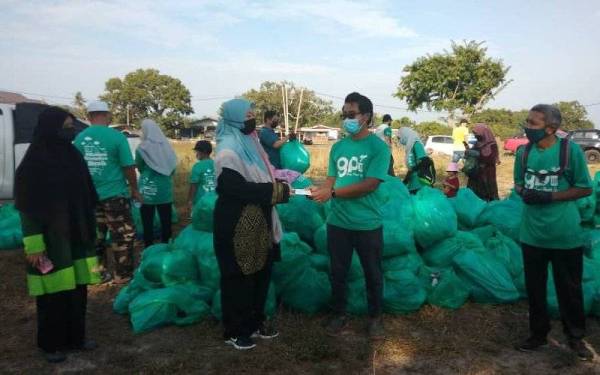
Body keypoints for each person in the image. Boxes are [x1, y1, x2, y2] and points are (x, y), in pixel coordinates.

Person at [15, 107, 100, 363]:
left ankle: (76, 337)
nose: (70, 131)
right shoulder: (33, 165)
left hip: (77, 235)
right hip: (51, 241)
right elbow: (28, 209)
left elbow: (87, 196)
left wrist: (92, 230)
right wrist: (34, 245)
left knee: (78, 292)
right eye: (65, 126)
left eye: (71, 125)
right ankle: (51, 344)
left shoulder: (74, 156)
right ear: (50, 128)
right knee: (52, 295)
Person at [514, 104, 593, 361]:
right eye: (527, 121)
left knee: (569, 289)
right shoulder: (524, 153)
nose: (528, 127)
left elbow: (584, 188)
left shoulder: (570, 153)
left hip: (564, 236)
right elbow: (517, 182)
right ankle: (538, 334)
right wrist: (523, 192)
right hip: (532, 235)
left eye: (533, 123)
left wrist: (550, 196)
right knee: (535, 289)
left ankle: (575, 337)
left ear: (551, 128)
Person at [310, 92, 390, 338]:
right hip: (338, 222)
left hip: (367, 224)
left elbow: (370, 184)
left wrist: (332, 192)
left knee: (373, 274)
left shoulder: (378, 147)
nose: (346, 119)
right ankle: (339, 315)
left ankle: (375, 318)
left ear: (366, 116)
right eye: (344, 114)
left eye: (351, 114)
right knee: (338, 272)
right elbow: (331, 180)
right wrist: (321, 189)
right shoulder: (338, 147)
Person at [213, 98, 290, 350]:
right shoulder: (228, 147)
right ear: (234, 118)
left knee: (260, 271)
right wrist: (272, 191)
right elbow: (230, 186)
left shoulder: (252, 143)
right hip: (237, 221)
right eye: (247, 114)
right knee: (238, 276)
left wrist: (279, 182)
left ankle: (255, 323)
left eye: (252, 113)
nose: (251, 118)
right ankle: (235, 330)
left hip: (260, 220)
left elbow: (264, 174)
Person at [74, 100, 140, 284]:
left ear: (89, 117)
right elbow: (128, 166)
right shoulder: (117, 137)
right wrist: (134, 189)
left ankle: (98, 274)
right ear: (107, 115)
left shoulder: (79, 139)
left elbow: (75, 169)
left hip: (89, 197)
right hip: (115, 196)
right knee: (122, 236)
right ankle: (123, 275)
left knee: (95, 236)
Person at [135, 119, 177, 248]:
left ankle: (149, 248)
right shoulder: (167, 146)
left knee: (147, 222)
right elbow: (172, 167)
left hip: (147, 190)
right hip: (164, 188)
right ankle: (167, 247)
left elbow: (140, 167)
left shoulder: (141, 148)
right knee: (166, 221)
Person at [466, 124, 500, 201]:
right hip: (476, 173)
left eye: (476, 134)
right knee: (474, 194)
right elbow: (472, 154)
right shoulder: (477, 143)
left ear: (483, 133)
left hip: (487, 173)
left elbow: (491, 159)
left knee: (487, 192)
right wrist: (468, 152)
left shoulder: (492, 145)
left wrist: (478, 154)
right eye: (474, 134)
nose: (475, 136)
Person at [187, 140, 216, 214]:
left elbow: (194, 186)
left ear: (203, 151)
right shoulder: (216, 164)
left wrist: (190, 201)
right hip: (215, 201)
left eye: (197, 151)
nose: (196, 154)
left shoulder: (198, 166)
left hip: (201, 202)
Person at [398, 127, 428, 194]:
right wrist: (406, 180)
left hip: (419, 182)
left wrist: (412, 171)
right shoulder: (410, 146)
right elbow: (412, 166)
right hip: (413, 180)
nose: (400, 140)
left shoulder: (416, 144)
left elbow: (424, 161)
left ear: (405, 135)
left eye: (400, 138)